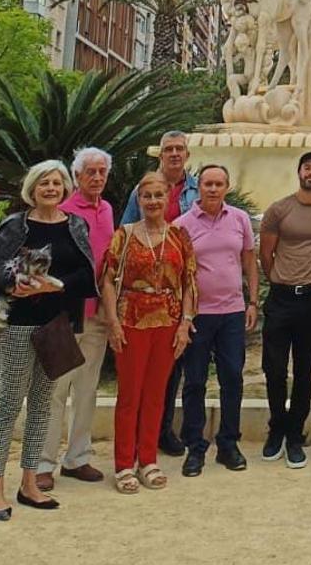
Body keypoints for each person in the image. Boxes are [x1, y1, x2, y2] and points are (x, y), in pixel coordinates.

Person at [0, 160, 96, 519]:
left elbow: (87, 273)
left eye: (57, 183)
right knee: (9, 405)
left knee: (43, 406)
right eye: (44, 182)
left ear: (65, 188)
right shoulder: (16, 225)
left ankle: (29, 482)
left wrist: (54, 285)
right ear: (32, 188)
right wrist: (16, 284)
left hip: (56, 324)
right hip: (18, 323)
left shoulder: (76, 224)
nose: (51, 188)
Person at [100, 172, 197, 494]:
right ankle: (124, 464)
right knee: (130, 396)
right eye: (147, 196)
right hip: (131, 322)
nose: (153, 201)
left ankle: (148, 459)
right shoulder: (124, 235)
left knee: (156, 396)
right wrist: (112, 322)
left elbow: (189, 283)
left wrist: (185, 323)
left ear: (168, 198)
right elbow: (108, 280)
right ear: (138, 200)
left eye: (158, 195)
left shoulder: (179, 236)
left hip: (167, 324)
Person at [258, 151, 311, 468]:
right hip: (281, 298)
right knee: (275, 369)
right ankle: (276, 428)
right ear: (299, 172)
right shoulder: (279, 209)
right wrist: (279, 279)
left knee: (304, 371)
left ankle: (296, 434)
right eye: (307, 167)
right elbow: (265, 254)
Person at [37, 147, 114, 492]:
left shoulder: (108, 209)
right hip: (64, 315)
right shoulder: (62, 212)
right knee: (54, 390)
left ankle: (77, 458)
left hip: (97, 313)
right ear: (77, 176)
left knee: (87, 388)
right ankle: (42, 463)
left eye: (102, 172)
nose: (96, 178)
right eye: (90, 172)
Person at [175, 165, 258, 477]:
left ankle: (228, 444)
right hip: (197, 315)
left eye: (218, 184)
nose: (212, 189)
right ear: (199, 188)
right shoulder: (181, 225)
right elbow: (178, 273)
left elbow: (249, 259)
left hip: (233, 313)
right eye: (207, 183)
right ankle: (195, 447)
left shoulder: (239, 219)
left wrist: (252, 301)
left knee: (232, 379)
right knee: (195, 381)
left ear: (226, 187)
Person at [121, 130, 199, 458]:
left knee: (169, 376)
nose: (175, 154)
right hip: (138, 306)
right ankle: (132, 447)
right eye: (169, 149)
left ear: (187, 154)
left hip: (177, 296)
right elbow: (123, 242)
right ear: (160, 154)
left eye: (180, 149)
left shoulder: (196, 190)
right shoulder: (139, 194)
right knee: (135, 384)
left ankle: (160, 434)